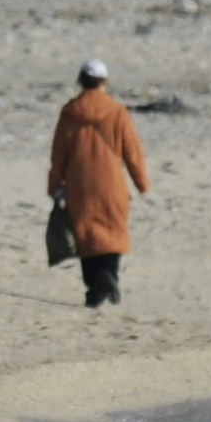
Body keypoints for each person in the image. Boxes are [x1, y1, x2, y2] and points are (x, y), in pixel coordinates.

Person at [47, 58, 149, 311]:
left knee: (86, 234)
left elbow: (58, 154)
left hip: (79, 184)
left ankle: (94, 289)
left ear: (81, 81)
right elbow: (132, 153)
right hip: (111, 183)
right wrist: (141, 183)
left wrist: (54, 185)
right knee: (113, 232)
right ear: (104, 82)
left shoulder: (69, 113)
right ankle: (109, 276)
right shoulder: (117, 112)